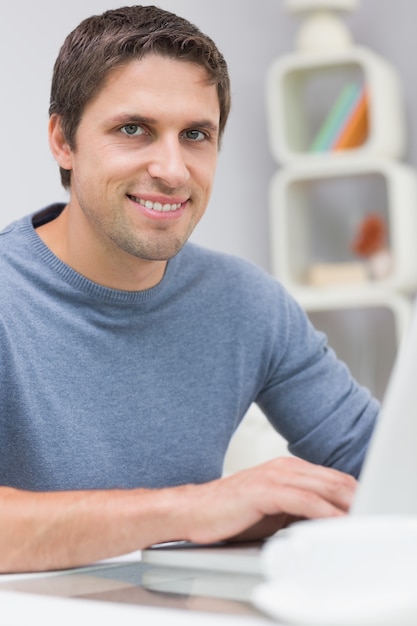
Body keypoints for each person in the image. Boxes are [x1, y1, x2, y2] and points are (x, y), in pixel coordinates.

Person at [0, 5, 378, 574]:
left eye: (197, 135)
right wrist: (192, 508)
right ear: (62, 140)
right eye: (134, 129)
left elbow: (379, 464)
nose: (173, 170)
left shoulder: (249, 304)